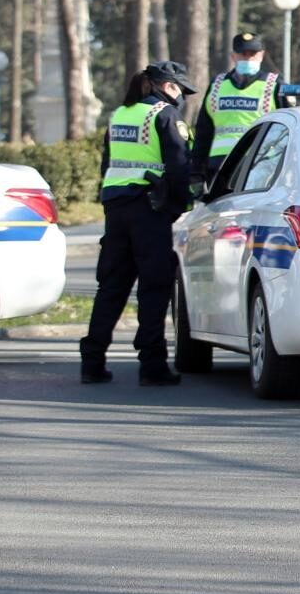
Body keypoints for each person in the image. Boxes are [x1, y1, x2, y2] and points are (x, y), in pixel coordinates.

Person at [79, 60, 197, 387]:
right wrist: (180, 206)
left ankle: (92, 361)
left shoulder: (120, 114)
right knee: (154, 287)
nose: (181, 96)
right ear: (167, 86)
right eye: (179, 89)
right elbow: (177, 168)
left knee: (112, 286)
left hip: (117, 209)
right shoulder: (165, 115)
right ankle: (152, 365)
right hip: (150, 209)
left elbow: (108, 162)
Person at [190, 32, 284, 186]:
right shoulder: (217, 85)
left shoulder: (274, 85)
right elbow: (203, 132)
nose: (247, 59)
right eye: (243, 54)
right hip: (219, 166)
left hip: (260, 164)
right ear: (233, 56)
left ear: (261, 55)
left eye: (252, 54)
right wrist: (196, 172)